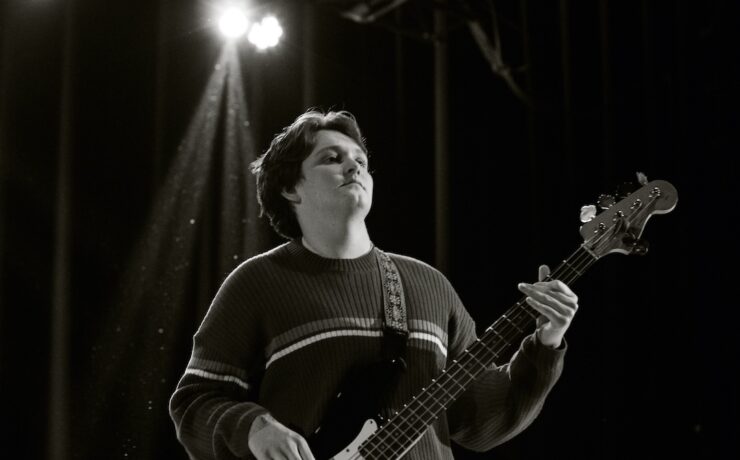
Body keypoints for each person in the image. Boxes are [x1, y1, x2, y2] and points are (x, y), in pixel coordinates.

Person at [169, 109, 579, 460]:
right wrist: (254, 428)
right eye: (332, 158)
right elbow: (193, 403)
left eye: (361, 161)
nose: (354, 168)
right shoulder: (257, 283)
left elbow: (481, 421)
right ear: (291, 188)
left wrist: (546, 344)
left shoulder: (429, 285)